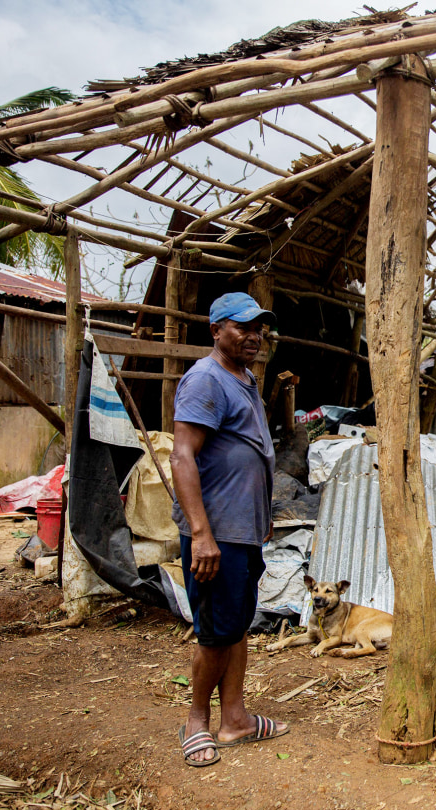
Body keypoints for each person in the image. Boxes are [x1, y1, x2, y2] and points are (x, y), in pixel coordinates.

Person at [170, 292, 289, 767]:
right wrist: (201, 533)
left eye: (259, 327)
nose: (253, 336)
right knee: (215, 632)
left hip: (242, 531)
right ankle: (197, 721)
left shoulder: (245, 379)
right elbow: (182, 456)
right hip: (215, 534)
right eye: (242, 327)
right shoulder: (205, 379)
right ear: (216, 330)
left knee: (237, 626)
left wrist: (262, 513)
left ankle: (235, 719)